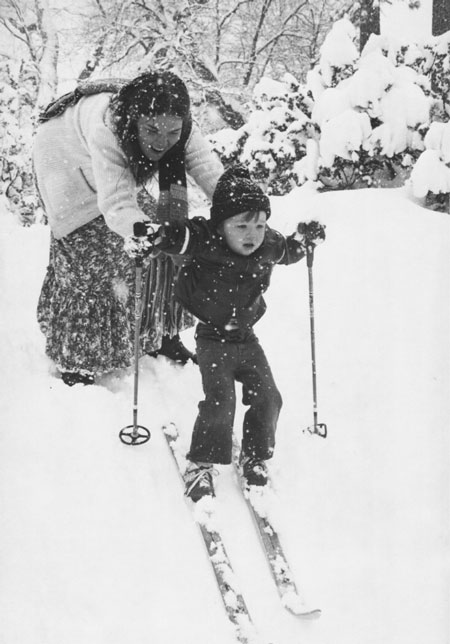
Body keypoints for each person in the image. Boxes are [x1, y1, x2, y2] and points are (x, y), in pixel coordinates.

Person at [130, 166, 326, 501]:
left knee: (269, 397)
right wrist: (156, 236)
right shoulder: (206, 238)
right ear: (221, 225)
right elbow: (179, 235)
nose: (253, 234)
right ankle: (201, 464)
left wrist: (304, 241)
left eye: (260, 225)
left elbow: (289, 251)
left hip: (246, 337)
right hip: (212, 337)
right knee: (221, 401)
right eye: (242, 225)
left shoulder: (268, 244)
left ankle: (255, 454)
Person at [33, 71, 223, 386]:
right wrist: (144, 233)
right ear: (134, 122)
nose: (162, 142)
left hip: (103, 165)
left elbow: (207, 168)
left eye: (172, 132)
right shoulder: (107, 128)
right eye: (152, 130)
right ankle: (78, 358)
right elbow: (118, 204)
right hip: (63, 161)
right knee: (92, 261)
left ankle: (162, 334)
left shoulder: (180, 123)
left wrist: (242, 209)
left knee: (169, 238)